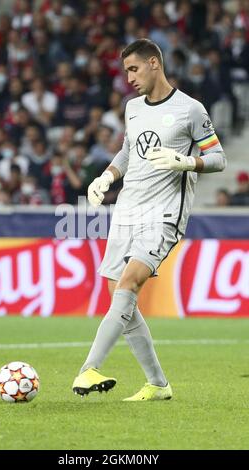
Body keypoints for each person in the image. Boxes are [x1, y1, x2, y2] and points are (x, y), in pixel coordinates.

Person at [72, 39, 226, 401]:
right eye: (126, 71)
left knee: (128, 283)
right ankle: (158, 384)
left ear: (154, 63)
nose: (129, 78)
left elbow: (218, 157)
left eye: (134, 69)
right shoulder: (133, 107)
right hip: (127, 209)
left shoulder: (190, 110)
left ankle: (88, 369)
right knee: (120, 296)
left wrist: (186, 162)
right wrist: (107, 177)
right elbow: (129, 150)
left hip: (164, 215)